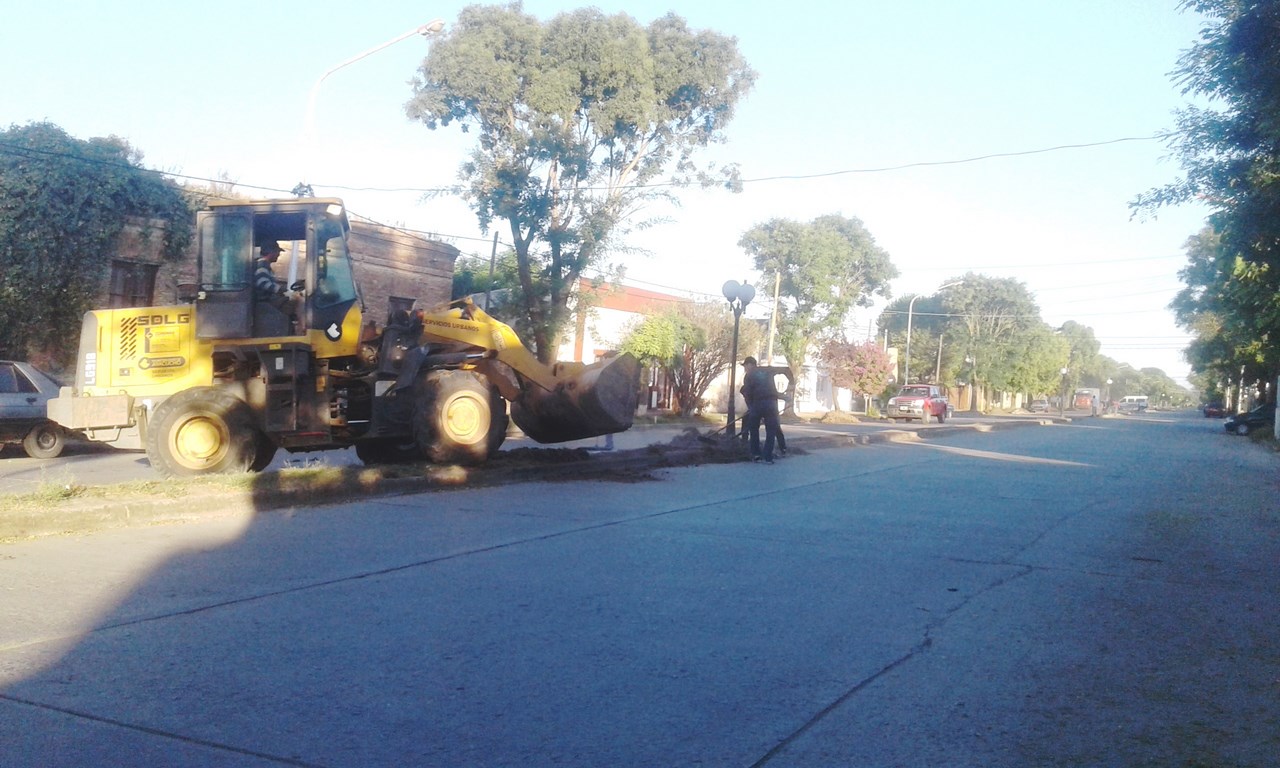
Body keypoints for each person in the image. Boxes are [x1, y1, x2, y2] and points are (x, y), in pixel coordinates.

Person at [740, 356, 783, 464]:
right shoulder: (768, 371)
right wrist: (791, 385)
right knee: (771, 430)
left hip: (758, 403)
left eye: (745, 366)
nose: (745, 368)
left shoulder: (749, 375)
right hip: (771, 404)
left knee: (753, 428)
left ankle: (756, 455)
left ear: (750, 365)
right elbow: (786, 370)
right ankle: (768, 457)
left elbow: (748, 394)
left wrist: (751, 407)